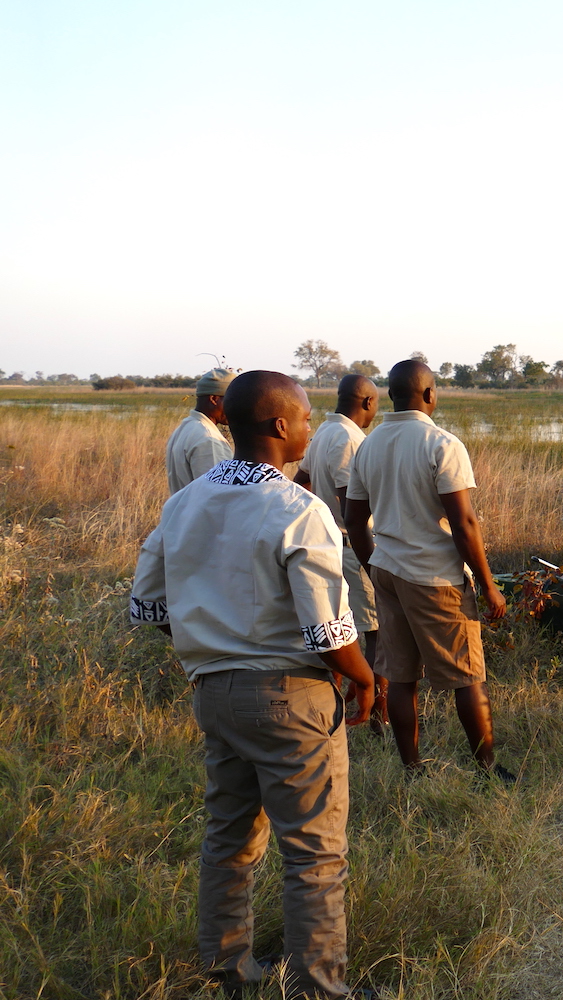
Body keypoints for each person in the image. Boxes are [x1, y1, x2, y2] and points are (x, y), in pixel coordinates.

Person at [129, 371, 376, 998]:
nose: (310, 427)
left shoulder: (183, 504)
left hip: (213, 692)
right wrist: (364, 678)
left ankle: (227, 970)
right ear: (277, 427)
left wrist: (215, 649)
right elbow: (327, 629)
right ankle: (319, 989)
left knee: (229, 838)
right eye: (304, 417)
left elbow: (150, 607)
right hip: (289, 694)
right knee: (314, 857)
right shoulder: (298, 508)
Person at [343, 360, 517, 781]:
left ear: (391, 395)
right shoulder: (441, 443)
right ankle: (487, 769)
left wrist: (372, 566)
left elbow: (353, 519)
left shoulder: (369, 444)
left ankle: (412, 768)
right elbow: (464, 524)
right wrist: (490, 586)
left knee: (401, 678)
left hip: (388, 570)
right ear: (429, 395)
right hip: (436, 579)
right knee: (467, 678)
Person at [294, 373, 388, 738]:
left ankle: (328, 709)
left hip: (331, 543)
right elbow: (355, 511)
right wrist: (372, 560)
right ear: (366, 402)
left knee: (334, 629)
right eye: (375, 405)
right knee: (377, 635)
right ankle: (380, 718)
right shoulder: (350, 438)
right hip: (353, 545)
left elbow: (301, 481)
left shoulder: (322, 434)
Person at [165, 368, 237, 493]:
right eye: (232, 400)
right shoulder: (208, 439)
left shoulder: (186, 428)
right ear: (214, 399)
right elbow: (216, 494)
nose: (236, 407)